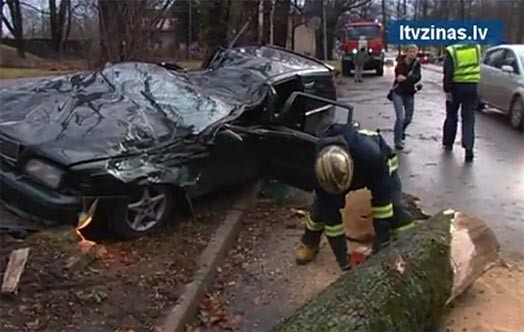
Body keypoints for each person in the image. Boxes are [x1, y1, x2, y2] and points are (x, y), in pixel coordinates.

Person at [295, 121, 415, 271]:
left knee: (392, 206)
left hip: (381, 166)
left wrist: (380, 242)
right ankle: (309, 242)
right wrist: (343, 260)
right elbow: (332, 221)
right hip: (343, 175)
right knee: (321, 209)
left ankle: (410, 240)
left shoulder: (370, 155)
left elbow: (382, 202)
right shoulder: (320, 171)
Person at [442, 43, 481, 162]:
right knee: (469, 118)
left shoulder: (452, 50)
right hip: (472, 86)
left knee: (451, 115)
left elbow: (448, 72)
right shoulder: (476, 48)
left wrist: (447, 88)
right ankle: (469, 148)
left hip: (456, 87)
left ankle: (448, 143)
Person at [391, 44, 421, 150]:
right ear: (406, 52)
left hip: (409, 93)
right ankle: (397, 141)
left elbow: (417, 77)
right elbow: (399, 78)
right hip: (398, 92)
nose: (413, 53)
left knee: (408, 119)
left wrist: (407, 79)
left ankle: (401, 131)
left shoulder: (417, 64)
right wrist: (409, 79)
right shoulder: (400, 63)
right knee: (400, 118)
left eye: (414, 51)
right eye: (411, 51)